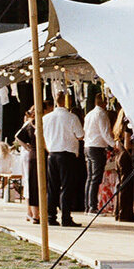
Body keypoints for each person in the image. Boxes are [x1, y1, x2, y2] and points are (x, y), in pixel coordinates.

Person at [43, 92, 84, 227]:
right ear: (68, 101)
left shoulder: (46, 118)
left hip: (52, 153)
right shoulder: (72, 117)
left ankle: (51, 216)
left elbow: (41, 135)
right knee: (67, 186)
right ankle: (66, 217)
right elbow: (80, 135)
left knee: (52, 187)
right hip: (67, 153)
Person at [15, 101, 51, 224]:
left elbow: (18, 137)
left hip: (34, 154)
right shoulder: (41, 123)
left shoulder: (31, 124)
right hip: (41, 154)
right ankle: (39, 214)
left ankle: (36, 215)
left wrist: (26, 147)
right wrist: (27, 147)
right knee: (41, 184)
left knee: (34, 185)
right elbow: (18, 137)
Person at [82, 93, 115, 214]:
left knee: (90, 177)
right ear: (104, 103)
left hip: (88, 146)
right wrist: (114, 145)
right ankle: (92, 206)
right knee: (95, 178)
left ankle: (88, 205)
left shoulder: (89, 114)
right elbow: (105, 133)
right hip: (97, 147)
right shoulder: (101, 114)